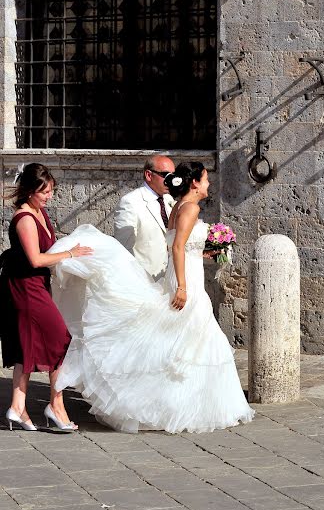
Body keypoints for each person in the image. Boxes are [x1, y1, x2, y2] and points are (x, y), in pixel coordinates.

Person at [49, 161, 254, 433]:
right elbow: (179, 246)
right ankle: (188, 406)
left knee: (183, 339)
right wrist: (182, 286)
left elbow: (176, 245)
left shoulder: (176, 206)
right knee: (192, 338)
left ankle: (183, 401)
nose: (209, 184)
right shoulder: (190, 208)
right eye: (205, 179)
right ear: (194, 183)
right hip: (187, 280)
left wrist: (201, 253)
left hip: (181, 272)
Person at [0, 163, 93, 431]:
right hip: (26, 287)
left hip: (36, 285)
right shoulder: (26, 218)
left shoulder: (39, 212)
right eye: (45, 191)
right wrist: (71, 254)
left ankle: (18, 408)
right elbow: (36, 258)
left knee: (25, 347)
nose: (49, 196)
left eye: (51, 190)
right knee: (61, 340)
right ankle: (56, 406)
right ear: (30, 191)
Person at [114, 155, 176, 281]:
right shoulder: (130, 202)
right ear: (149, 175)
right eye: (166, 175)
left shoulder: (169, 200)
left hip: (168, 277)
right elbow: (124, 247)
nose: (170, 180)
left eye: (173, 176)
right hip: (144, 279)